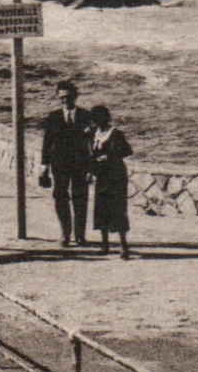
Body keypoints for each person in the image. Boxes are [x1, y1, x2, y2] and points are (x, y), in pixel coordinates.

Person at [40, 80, 94, 247]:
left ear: (75, 97)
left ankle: (80, 235)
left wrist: (92, 168)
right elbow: (47, 142)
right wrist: (44, 166)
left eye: (68, 97)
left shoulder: (86, 116)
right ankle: (65, 233)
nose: (65, 101)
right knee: (60, 198)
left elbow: (93, 144)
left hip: (81, 165)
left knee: (80, 199)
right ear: (58, 98)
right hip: (60, 165)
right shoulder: (53, 117)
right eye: (62, 98)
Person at [88, 105, 134, 259]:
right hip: (101, 176)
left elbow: (127, 151)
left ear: (105, 118)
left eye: (98, 118)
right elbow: (91, 156)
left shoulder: (115, 134)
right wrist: (91, 171)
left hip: (116, 177)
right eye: (94, 119)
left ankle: (123, 247)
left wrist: (109, 156)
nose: (96, 121)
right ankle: (105, 245)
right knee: (101, 209)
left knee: (118, 210)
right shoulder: (94, 134)